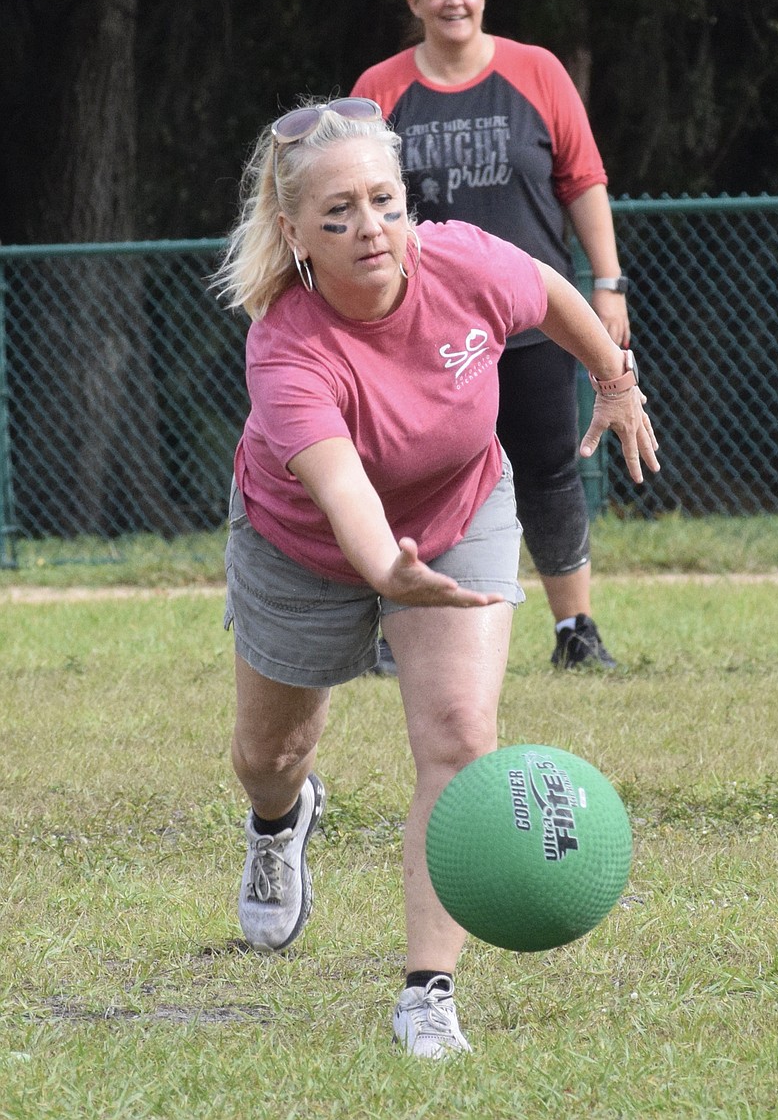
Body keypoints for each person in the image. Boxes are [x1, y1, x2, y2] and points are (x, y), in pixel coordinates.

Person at [214, 96, 658, 1059]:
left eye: (383, 200)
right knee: (267, 755)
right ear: (294, 234)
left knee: (459, 739)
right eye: (337, 215)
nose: (369, 229)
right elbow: (343, 495)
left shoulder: (460, 261)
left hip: (459, 510)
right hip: (308, 546)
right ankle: (279, 824)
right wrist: (386, 571)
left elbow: (547, 288)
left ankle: (426, 993)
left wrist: (615, 380)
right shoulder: (287, 349)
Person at [352, 0, 630, 674]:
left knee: (548, 468)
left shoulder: (536, 71)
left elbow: (583, 179)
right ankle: (390, 628)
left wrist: (606, 282)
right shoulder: (380, 88)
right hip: (420, 326)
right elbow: (347, 191)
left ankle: (576, 629)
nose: (454, 1)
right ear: (412, 1)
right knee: (407, 472)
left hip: (533, 320)